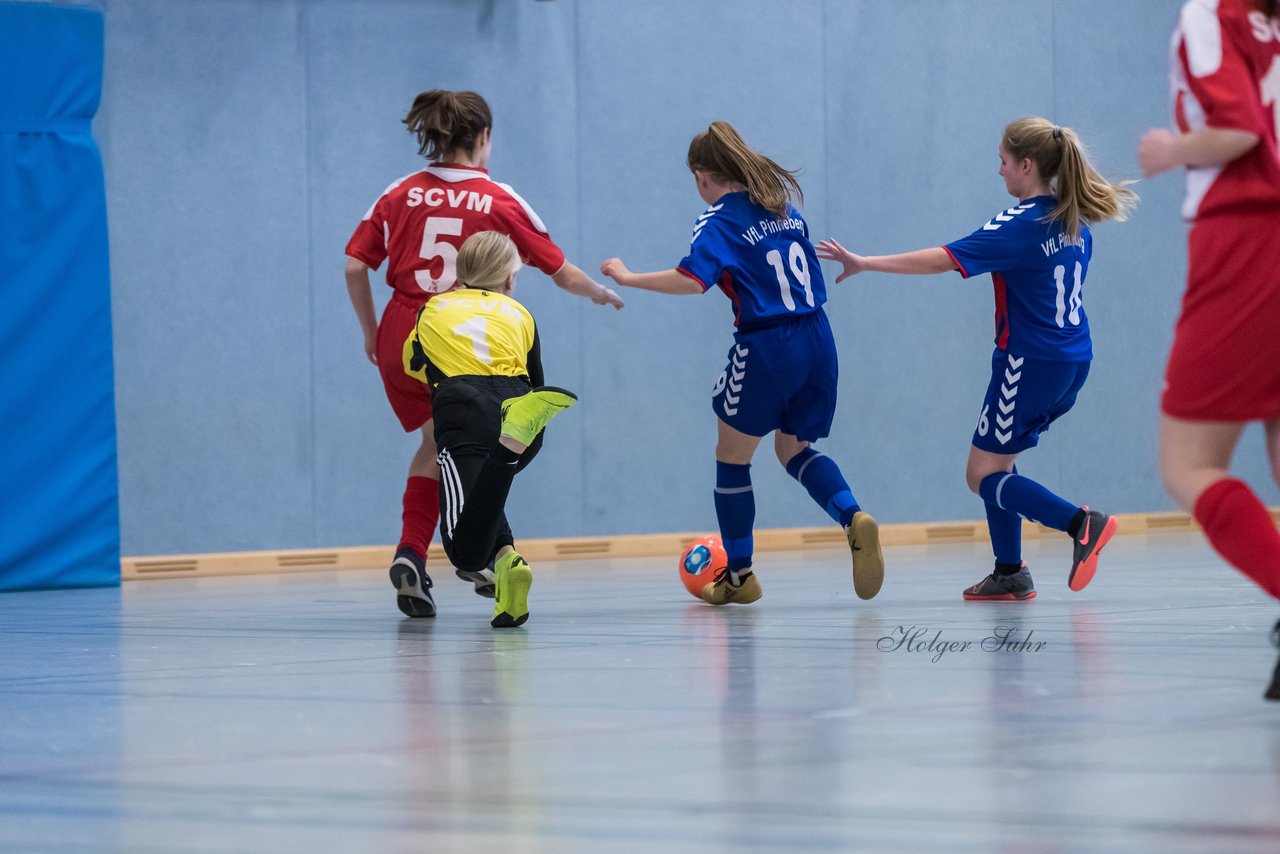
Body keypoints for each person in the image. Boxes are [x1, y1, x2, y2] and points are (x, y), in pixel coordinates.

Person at [818, 117, 1137, 601]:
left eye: (1004, 162)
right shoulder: (1075, 222)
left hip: (1027, 362)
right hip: (1073, 359)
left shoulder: (1021, 224)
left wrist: (865, 262)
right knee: (999, 462)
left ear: (1027, 165)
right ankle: (1010, 572)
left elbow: (945, 257)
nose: (1000, 171)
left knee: (983, 475)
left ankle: (1080, 523)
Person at [343, 89, 622, 618]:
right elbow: (559, 271)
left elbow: (356, 265)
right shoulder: (498, 199)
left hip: (404, 327)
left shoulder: (399, 192)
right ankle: (478, 554)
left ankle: (419, 555)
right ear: (484, 137)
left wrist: (371, 331)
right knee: (478, 444)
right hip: (467, 331)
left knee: (438, 445)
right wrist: (601, 292)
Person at [601, 120, 884, 605]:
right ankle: (852, 516)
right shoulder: (783, 208)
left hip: (768, 344)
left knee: (731, 458)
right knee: (792, 450)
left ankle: (740, 573)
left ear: (701, 177)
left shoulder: (719, 218)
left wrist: (628, 277)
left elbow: (693, 280)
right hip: (820, 339)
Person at [1138, 0, 1280, 700]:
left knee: (1187, 463)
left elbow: (1238, 131)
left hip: (1249, 239)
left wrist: (1169, 151)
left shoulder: (1214, 12)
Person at [402, 230, 576, 627]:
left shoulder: (433, 308)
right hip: (518, 402)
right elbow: (535, 377)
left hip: (464, 411)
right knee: (483, 494)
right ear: (509, 280)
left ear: (458, 274)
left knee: (465, 552)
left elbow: (413, 362)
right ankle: (508, 567)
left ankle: (506, 448)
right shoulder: (521, 314)